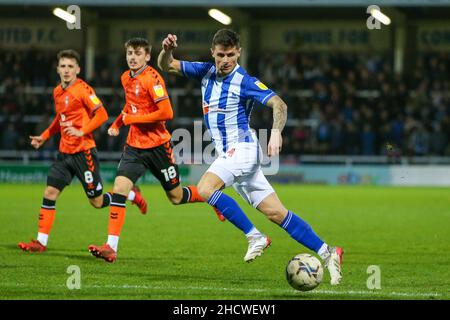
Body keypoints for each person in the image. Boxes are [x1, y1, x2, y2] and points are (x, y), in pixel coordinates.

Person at [157, 29, 344, 285]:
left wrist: (276, 133)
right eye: (221, 54)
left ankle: (254, 236)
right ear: (212, 52)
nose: (225, 60)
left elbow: (280, 104)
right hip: (232, 154)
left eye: (231, 55)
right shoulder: (204, 70)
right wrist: (167, 49)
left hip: (243, 149)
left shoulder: (244, 81)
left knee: (205, 188)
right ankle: (328, 251)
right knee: (277, 213)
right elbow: (166, 65)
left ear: (239, 53)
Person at [88, 38, 224, 263]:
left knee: (176, 197)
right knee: (120, 188)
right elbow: (130, 107)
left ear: (147, 56)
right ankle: (111, 247)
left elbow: (167, 112)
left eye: (138, 53)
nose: (132, 57)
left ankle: (214, 198)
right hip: (134, 147)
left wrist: (133, 118)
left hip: (159, 147)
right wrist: (118, 124)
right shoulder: (125, 78)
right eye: (129, 53)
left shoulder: (153, 79)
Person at [18, 49, 147, 253]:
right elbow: (60, 119)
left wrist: (81, 131)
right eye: (63, 66)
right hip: (64, 154)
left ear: (78, 69)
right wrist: (44, 136)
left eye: (71, 66)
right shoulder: (57, 91)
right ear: (57, 69)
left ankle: (130, 195)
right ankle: (40, 242)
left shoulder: (83, 90)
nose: (66, 70)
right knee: (50, 192)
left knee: (96, 202)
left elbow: (102, 114)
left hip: (83, 153)